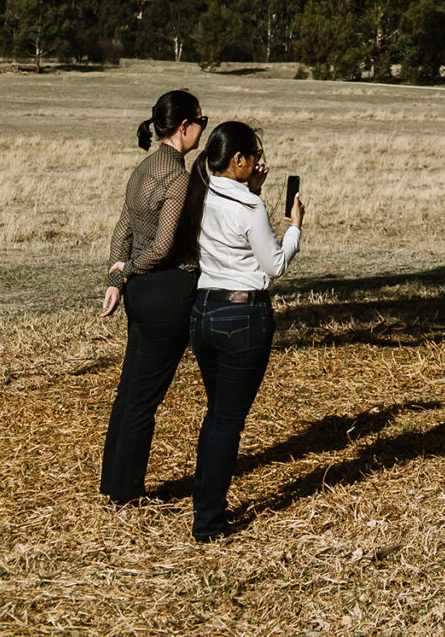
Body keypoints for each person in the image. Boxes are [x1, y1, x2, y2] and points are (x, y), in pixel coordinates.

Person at [180, 120, 303, 543]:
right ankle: (209, 519)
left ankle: (205, 503)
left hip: (203, 312)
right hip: (242, 317)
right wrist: (295, 228)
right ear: (239, 160)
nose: (259, 163)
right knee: (227, 422)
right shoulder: (249, 209)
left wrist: (253, 190)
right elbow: (275, 265)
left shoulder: (203, 191)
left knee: (217, 417)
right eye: (255, 157)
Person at [99, 88, 206, 504]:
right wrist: (124, 273)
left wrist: (116, 279)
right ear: (184, 126)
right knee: (145, 398)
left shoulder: (142, 169)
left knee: (129, 391)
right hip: (164, 292)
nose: (202, 130)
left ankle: (113, 482)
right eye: (202, 122)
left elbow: (122, 229)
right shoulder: (177, 177)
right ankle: (128, 493)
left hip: (138, 294)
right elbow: (162, 247)